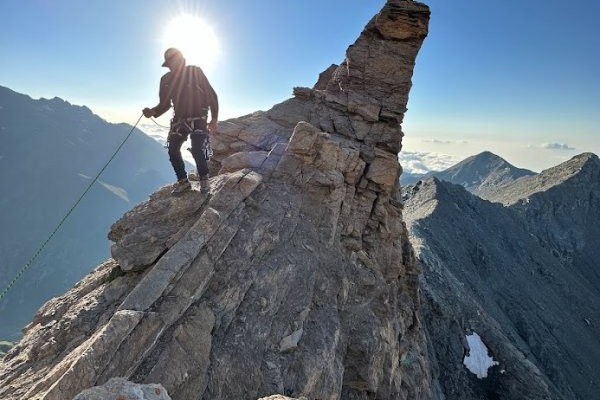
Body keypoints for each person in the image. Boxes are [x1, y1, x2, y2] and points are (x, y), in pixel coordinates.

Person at [143, 48, 219, 193]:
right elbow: (164, 105)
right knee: (173, 149)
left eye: (174, 61)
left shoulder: (195, 72)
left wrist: (214, 119)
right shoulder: (165, 80)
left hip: (199, 118)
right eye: (171, 63)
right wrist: (153, 111)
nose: (173, 65)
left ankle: (204, 180)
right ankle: (183, 181)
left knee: (197, 149)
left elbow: (211, 95)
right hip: (181, 120)